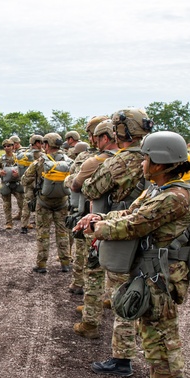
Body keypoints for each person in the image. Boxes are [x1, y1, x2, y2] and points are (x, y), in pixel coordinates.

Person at [76, 131, 190, 378]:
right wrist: (100, 216)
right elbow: (129, 213)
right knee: (153, 338)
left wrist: (98, 228)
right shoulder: (158, 190)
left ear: (159, 162)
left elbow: (134, 225)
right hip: (151, 272)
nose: (141, 162)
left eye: (146, 158)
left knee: (164, 345)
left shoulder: (175, 196)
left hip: (162, 279)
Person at [81, 108, 151, 377]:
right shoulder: (156, 153)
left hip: (122, 225)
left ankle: (122, 358)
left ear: (121, 131)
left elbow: (91, 188)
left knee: (122, 290)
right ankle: (147, 347)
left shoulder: (123, 160)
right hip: (155, 228)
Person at [67, 118, 115, 322]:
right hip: (126, 220)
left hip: (98, 218)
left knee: (93, 268)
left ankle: (91, 319)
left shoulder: (96, 161)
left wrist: (72, 179)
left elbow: (79, 186)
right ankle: (113, 300)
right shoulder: (141, 158)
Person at [23, 133, 72, 274]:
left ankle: (42, 264)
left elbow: (24, 180)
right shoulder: (68, 161)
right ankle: (65, 263)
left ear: (46, 145)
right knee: (63, 233)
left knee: (43, 233)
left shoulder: (40, 162)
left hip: (43, 202)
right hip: (62, 202)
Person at [0, 138, 24, 229]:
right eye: (5, 146)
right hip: (6, 184)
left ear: (13, 146)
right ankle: (9, 222)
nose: (7, 148)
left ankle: (24, 220)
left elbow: (25, 169)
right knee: (7, 204)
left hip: (17, 183)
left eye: (9, 146)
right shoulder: (1, 159)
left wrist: (19, 173)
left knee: (23, 203)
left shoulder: (18, 158)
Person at [18, 134, 44, 234]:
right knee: (40, 205)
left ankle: (24, 226)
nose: (42, 145)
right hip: (39, 184)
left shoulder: (25, 154)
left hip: (28, 183)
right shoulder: (42, 155)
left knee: (26, 204)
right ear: (37, 143)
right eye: (41, 142)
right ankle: (39, 225)